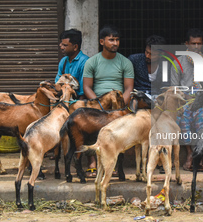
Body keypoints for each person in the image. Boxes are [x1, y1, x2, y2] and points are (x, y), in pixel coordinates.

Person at [83, 25, 134, 177]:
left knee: (118, 133)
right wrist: (99, 105)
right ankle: (92, 162)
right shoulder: (92, 62)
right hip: (97, 103)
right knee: (88, 125)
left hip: (119, 104)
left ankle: (116, 164)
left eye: (117, 40)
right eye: (111, 40)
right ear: (101, 41)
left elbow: (129, 88)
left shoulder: (125, 62)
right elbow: (87, 87)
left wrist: (118, 108)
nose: (115, 43)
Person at [171, 28, 203, 171]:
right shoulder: (178, 62)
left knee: (202, 118)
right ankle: (190, 153)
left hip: (202, 99)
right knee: (183, 118)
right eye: (193, 43)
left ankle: (202, 153)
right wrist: (186, 97)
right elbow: (174, 87)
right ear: (187, 44)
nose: (196, 47)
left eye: (199, 44)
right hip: (184, 100)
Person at [128, 34, 168, 99]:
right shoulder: (134, 60)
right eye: (146, 52)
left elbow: (165, 87)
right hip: (138, 97)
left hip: (157, 99)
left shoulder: (165, 65)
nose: (147, 56)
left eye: (152, 54)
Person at [55, 29, 89, 99]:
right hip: (64, 99)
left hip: (78, 100)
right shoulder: (63, 61)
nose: (61, 47)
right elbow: (57, 84)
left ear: (75, 47)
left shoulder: (85, 62)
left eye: (65, 45)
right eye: (61, 44)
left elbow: (83, 91)